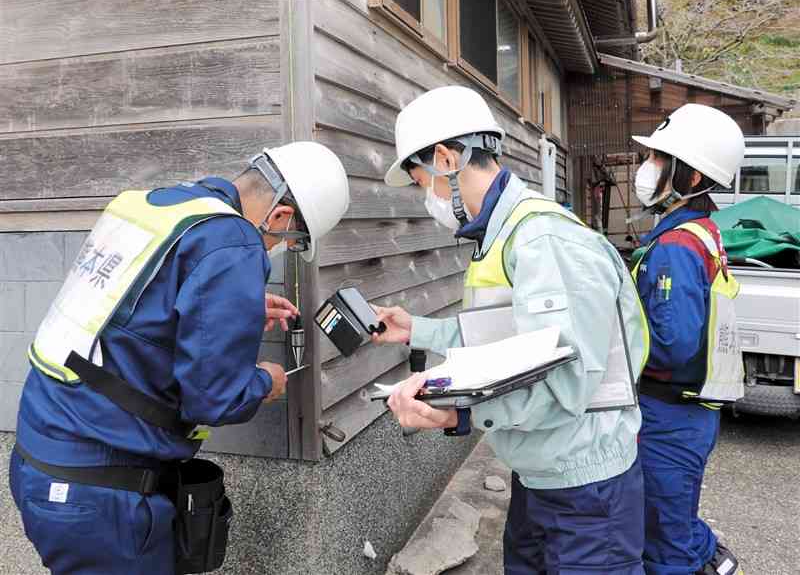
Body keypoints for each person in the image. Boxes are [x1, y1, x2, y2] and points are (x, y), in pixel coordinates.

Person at [8, 142, 350, 575]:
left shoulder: (163, 205)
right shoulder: (233, 243)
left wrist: (234, 307)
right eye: (290, 242)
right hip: (102, 494)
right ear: (280, 217)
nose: (277, 249)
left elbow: (130, 315)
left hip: (43, 461)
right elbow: (214, 400)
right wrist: (267, 380)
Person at [374, 85, 650, 574]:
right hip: (542, 473)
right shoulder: (503, 233)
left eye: (421, 181)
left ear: (445, 158)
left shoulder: (542, 239)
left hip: (585, 490)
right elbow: (506, 345)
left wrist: (455, 415)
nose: (426, 199)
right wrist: (418, 331)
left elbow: (563, 382)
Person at [630, 104, 745, 575]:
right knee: (670, 515)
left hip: (669, 414)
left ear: (691, 178)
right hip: (689, 412)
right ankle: (712, 558)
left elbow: (671, 345)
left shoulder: (677, 245)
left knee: (663, 534)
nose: (647, 167)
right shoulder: (700, 232)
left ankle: (697, 561)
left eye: (659, 159)